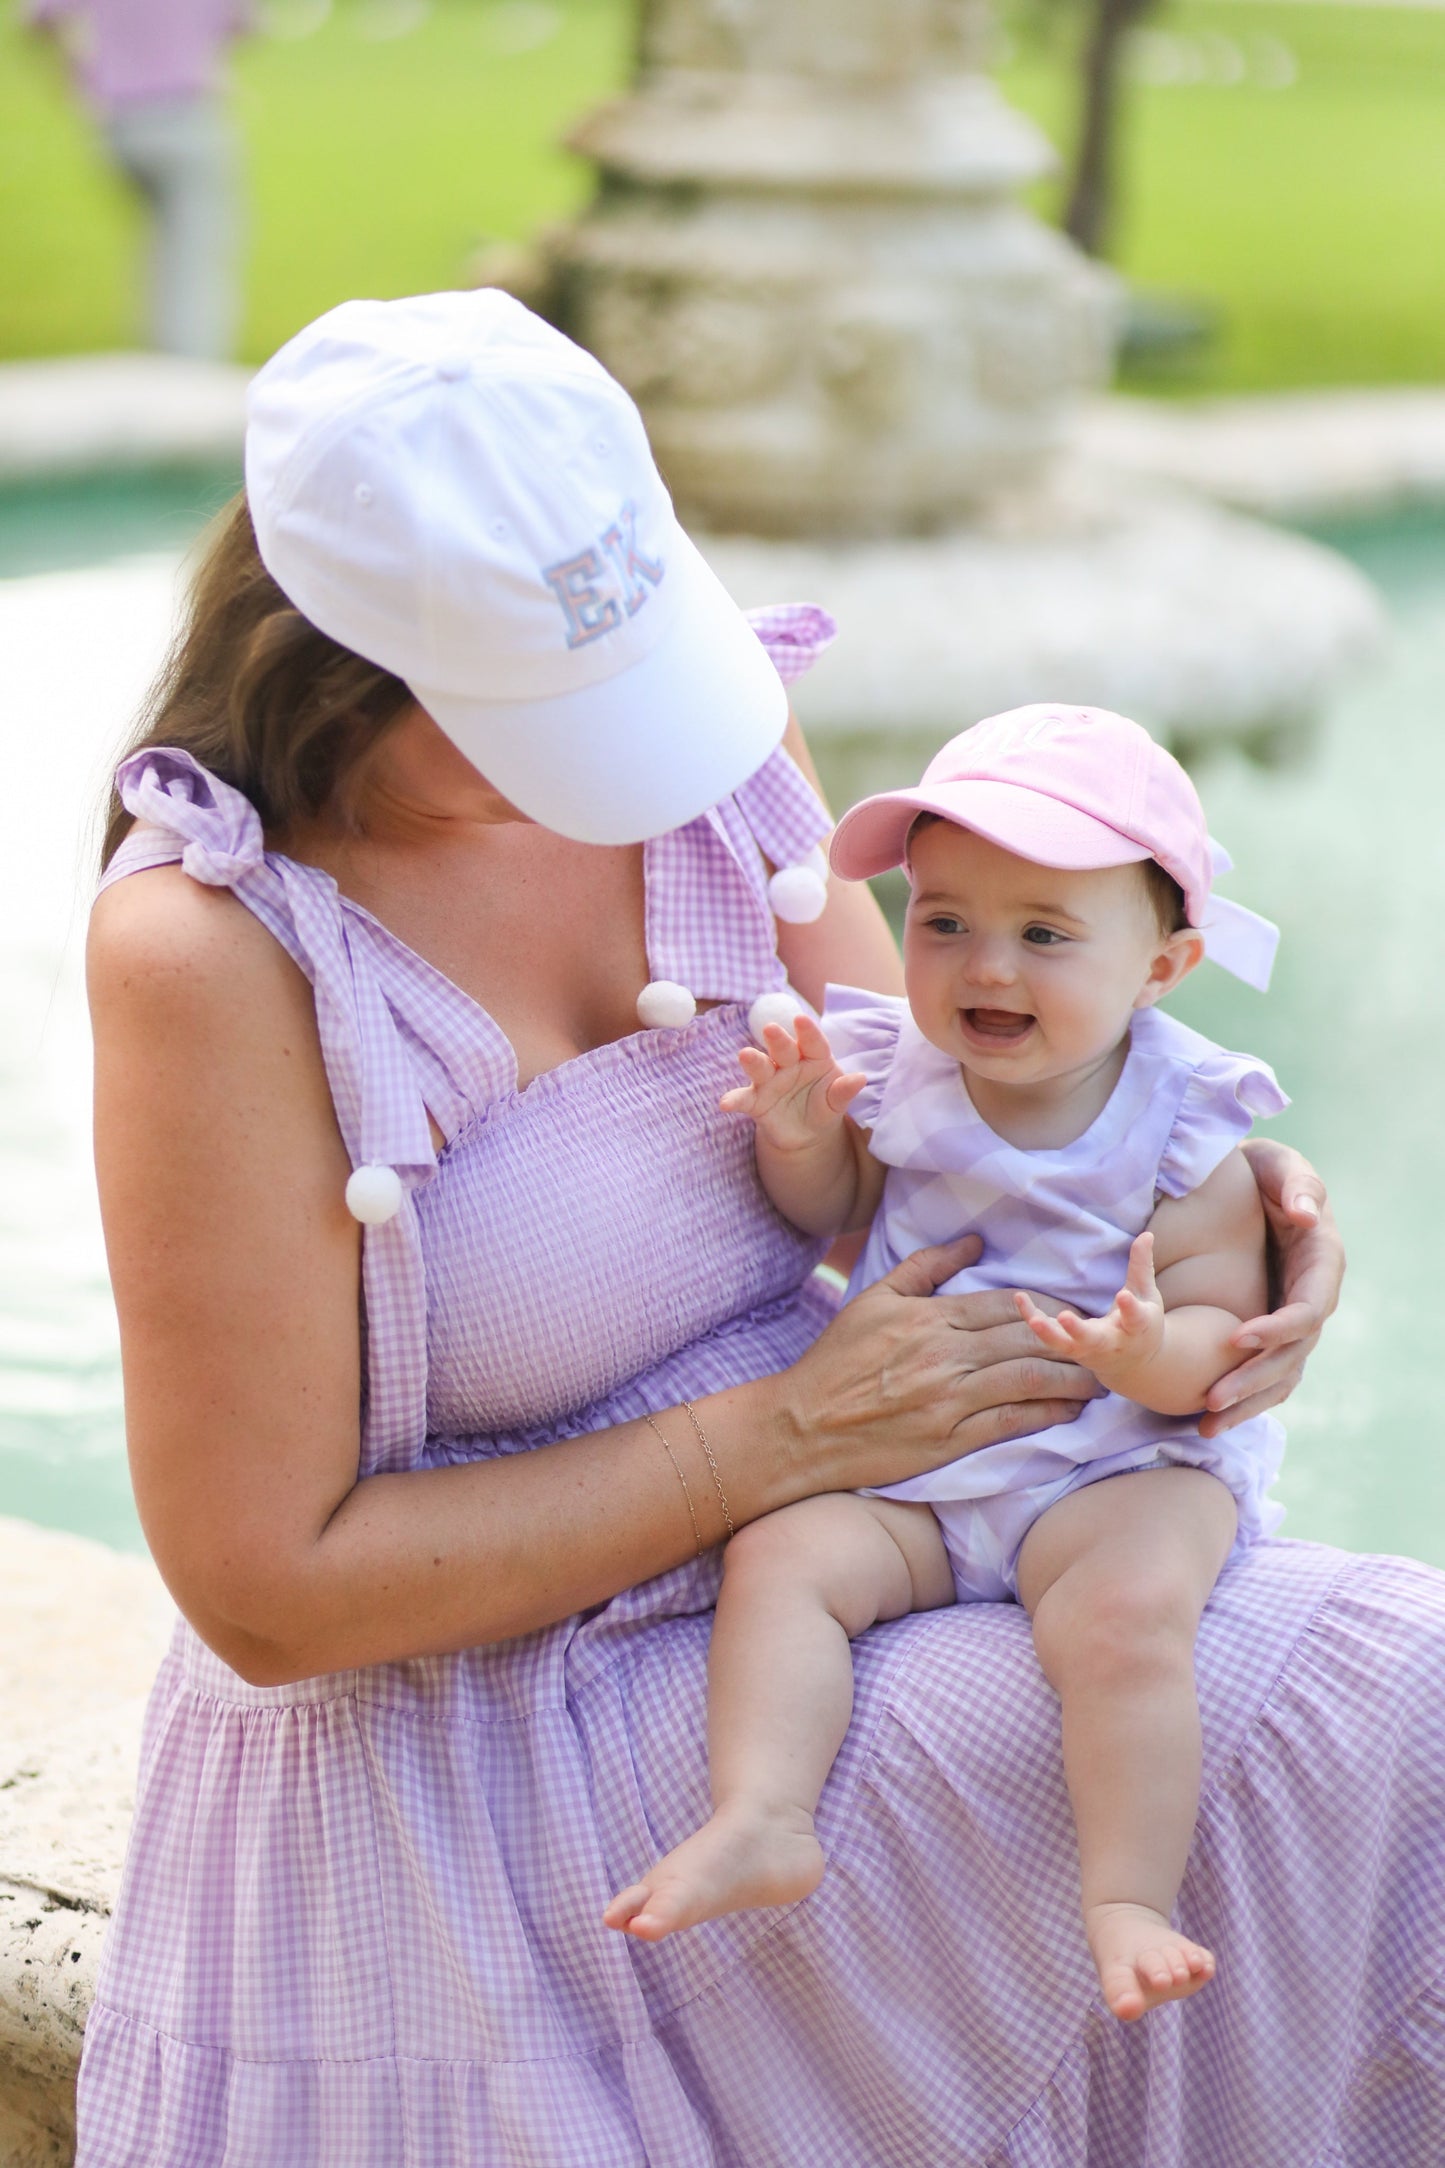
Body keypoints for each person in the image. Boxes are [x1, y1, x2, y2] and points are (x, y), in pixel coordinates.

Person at [76, 289, 1439, 2168]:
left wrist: (1225, 1198)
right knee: (1350, 1721)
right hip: (485, 1733)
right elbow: (264, 1591)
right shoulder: (218, 948)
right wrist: (782, 1440)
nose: (620, 764)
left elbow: (950, 1114)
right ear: (341, 663)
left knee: (1392, 1697)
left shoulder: (692, 727)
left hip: (866, 1549)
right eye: (532, 715)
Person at [604, 706, 1290, 2026]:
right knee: (784, 1560)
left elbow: (1225, 1324)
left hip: (1113, 1457)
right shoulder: (906, 1070)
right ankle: (762, 1813)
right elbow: (834, 1215)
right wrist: (802, 1136)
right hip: (920, 1463)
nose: (985, 965)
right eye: (944, 922)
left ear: (1164, 965)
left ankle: (1126, 1897)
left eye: (1043, 933)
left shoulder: (1185, 1113)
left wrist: (1151, 1351)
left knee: (1125, 1618)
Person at [28, 0, 246, 360]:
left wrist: (77, 69)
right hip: (187, 115)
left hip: (116, 125)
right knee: (197, 253)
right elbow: (239, 27)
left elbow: (40, 21)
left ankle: (160, 358)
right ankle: (189, 373)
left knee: (161, 243)